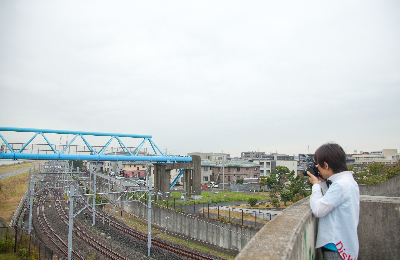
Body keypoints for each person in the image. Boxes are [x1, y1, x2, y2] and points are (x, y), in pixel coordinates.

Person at [307, 143, 360, 260]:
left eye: (318, 166)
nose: (318, 169)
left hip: (336, 247)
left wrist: (315, 185)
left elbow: (318, 210)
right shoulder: (348, 182)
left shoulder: (341, 185)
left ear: (326, 165)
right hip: (342, 244)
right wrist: (321, 182)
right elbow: (332, 199)